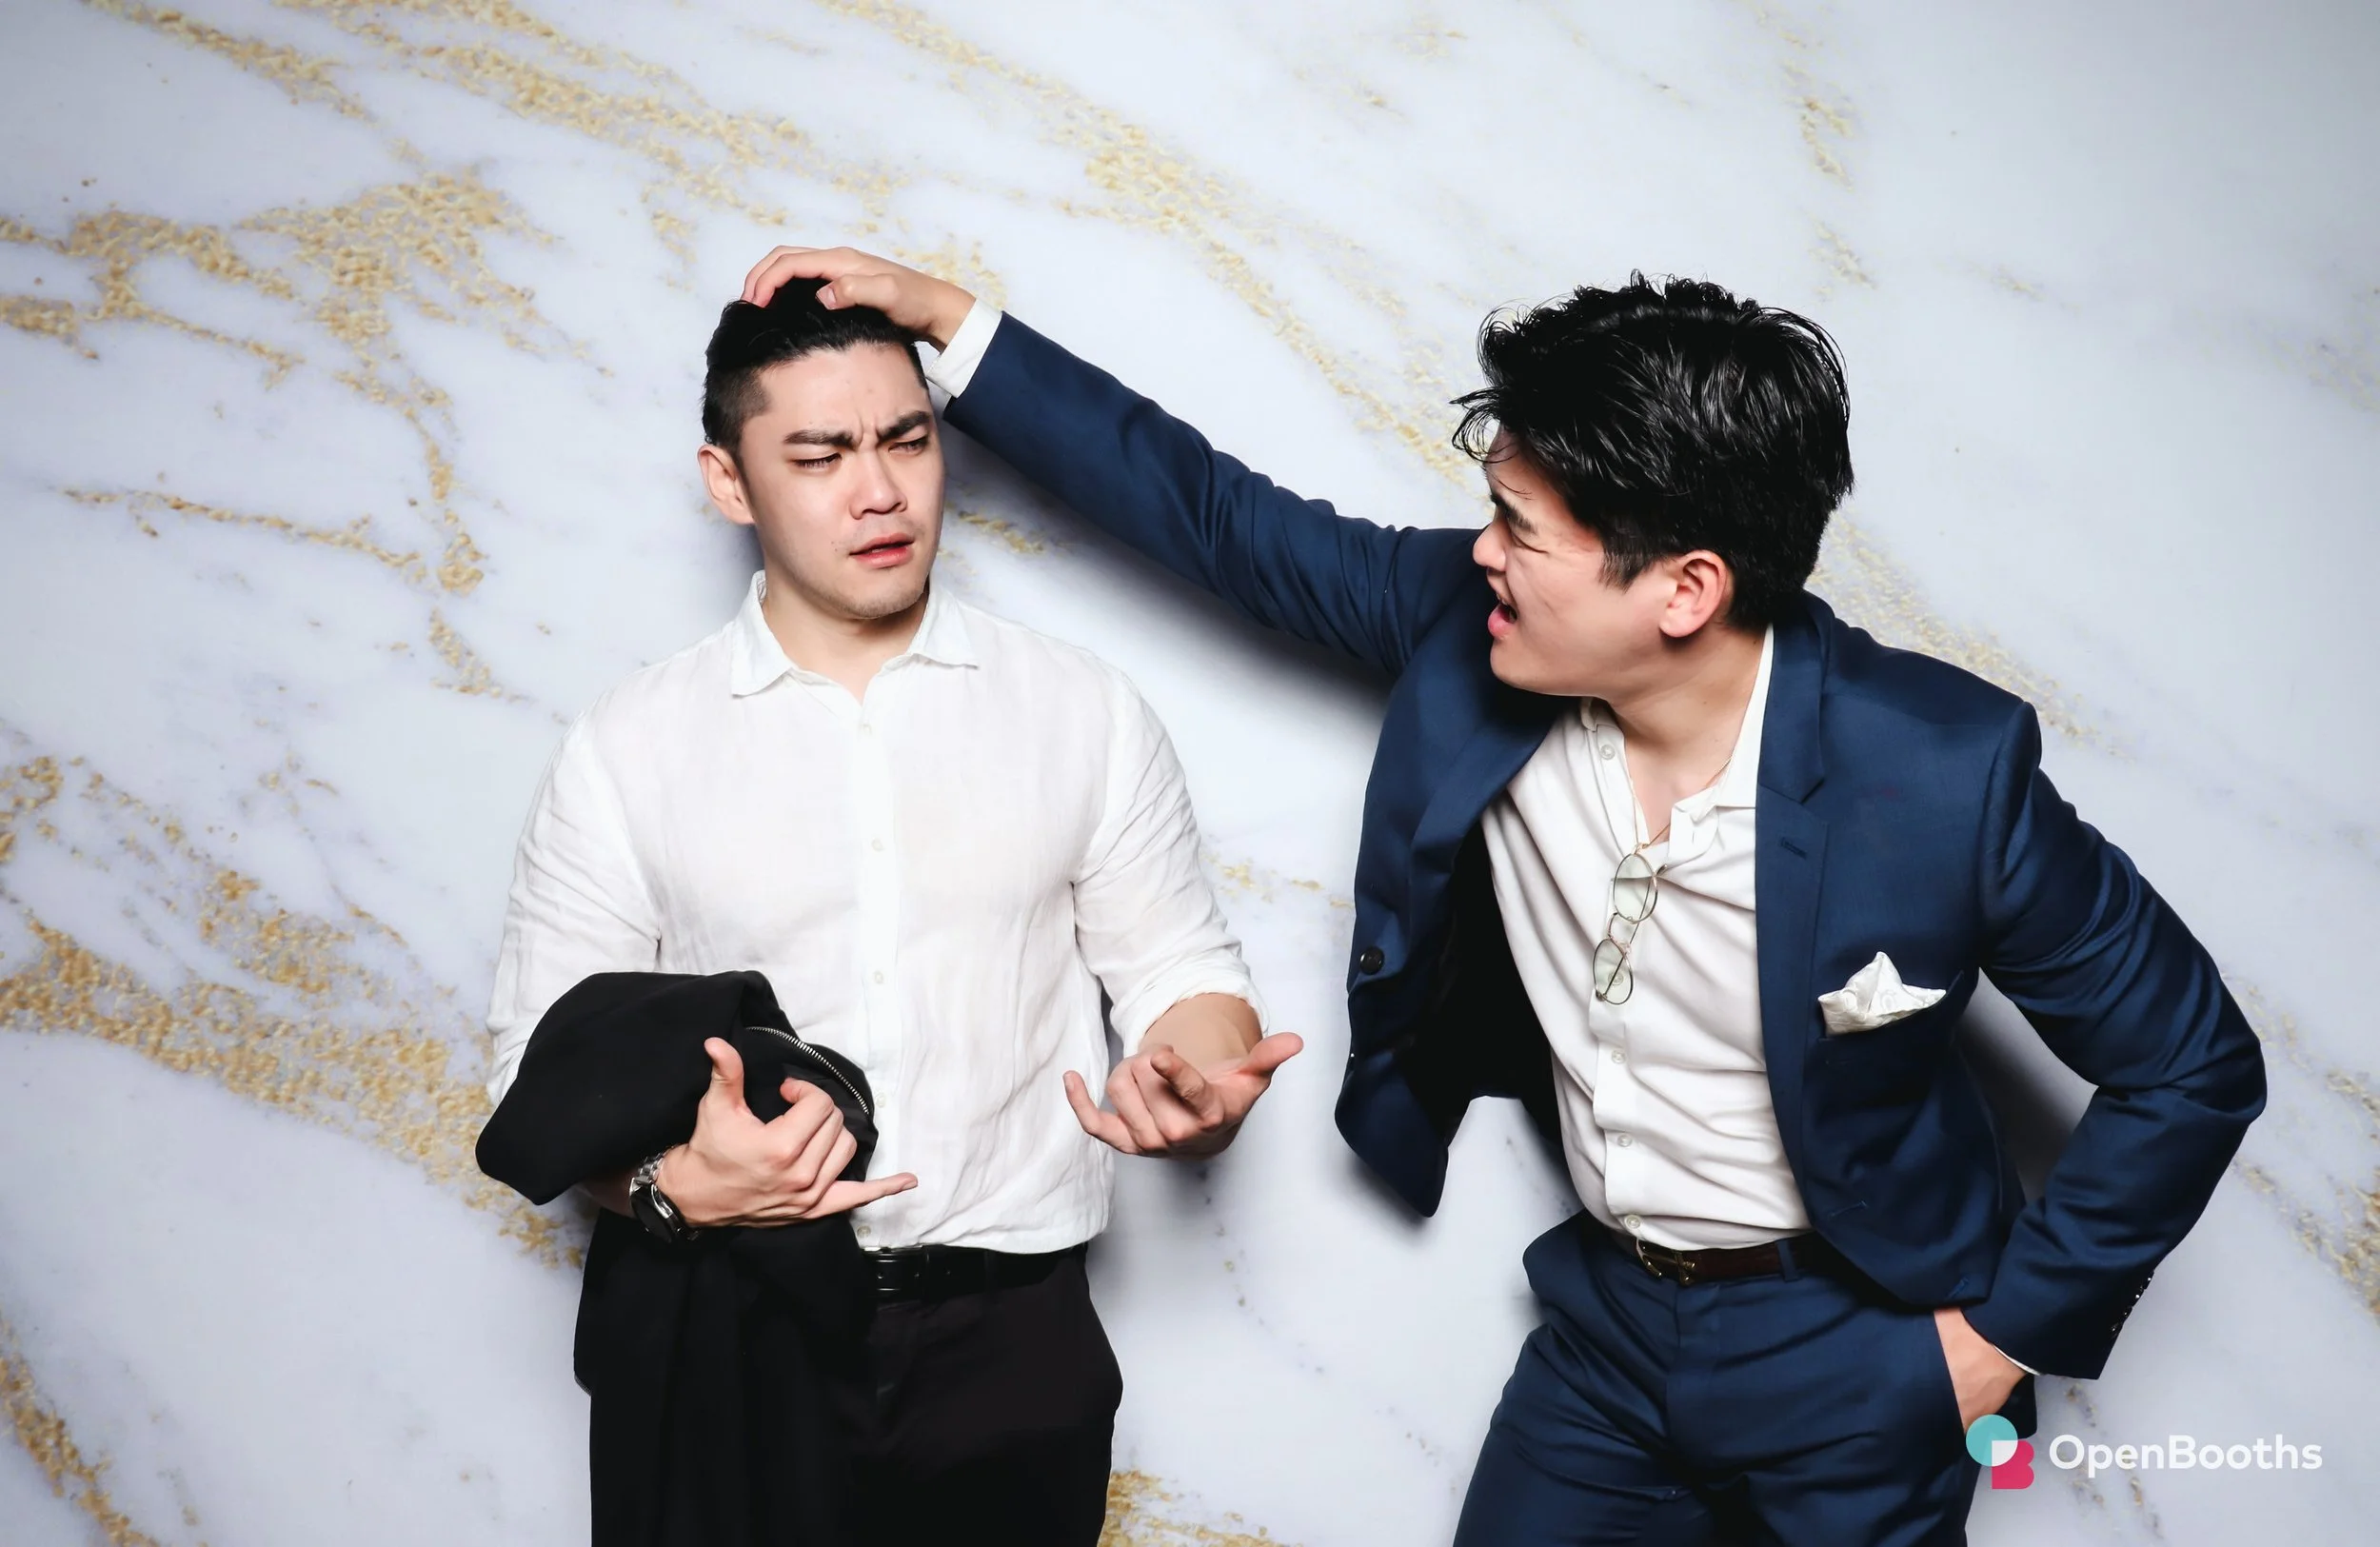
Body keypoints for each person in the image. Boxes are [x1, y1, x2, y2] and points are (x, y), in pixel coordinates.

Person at [740, 246, 2269, 1544]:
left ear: (1684, 591)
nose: (1482, 551)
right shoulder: (1465, 629)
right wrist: (956, 324)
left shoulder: (1941, 772)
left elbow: (2193, 1066)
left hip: (1862, 1346)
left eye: (1524, 529)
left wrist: (1994, 1347)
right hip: (1606, 1337)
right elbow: (1219, 519)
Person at [483, 279, 1302, 1546]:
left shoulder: (1080, 710)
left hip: (1013, 1340)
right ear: (728, 480)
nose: (879, 492)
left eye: (906, 441)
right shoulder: (628, 746)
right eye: (818, 454)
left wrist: (1195, 1080)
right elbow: (533, 1065)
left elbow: (1177, 969)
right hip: (727, 1329)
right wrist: (674, 1187)